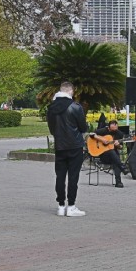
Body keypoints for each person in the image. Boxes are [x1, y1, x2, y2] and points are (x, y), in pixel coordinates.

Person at [47, 81, 88, 217]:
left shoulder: (51, 108)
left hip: (60, 145)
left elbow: (52, 128)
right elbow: (83, 127)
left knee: (60, 176)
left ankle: (60, 205)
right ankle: (71, 206)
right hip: (75, 145)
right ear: (71, 91)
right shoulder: (75, 107)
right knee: (73, 176)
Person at [91, 120, 129, 188]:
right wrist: (101, 140)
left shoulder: (119, 134)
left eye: (116, 129)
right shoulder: (104, 130)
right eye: (112, 130)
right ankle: (122, 167)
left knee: (115, 158)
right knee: (112, 153)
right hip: (103, 155)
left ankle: (118, 182)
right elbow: (91, 134)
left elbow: (121, 147)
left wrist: (118, 145)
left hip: (114, 157)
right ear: (108, 128)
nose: (115, 131)